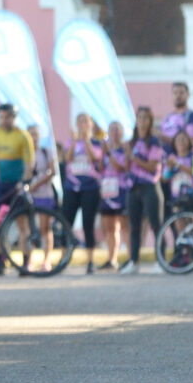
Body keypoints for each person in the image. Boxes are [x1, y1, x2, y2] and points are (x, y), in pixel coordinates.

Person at [0, 103, 35, 276]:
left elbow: (29, 163)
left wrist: (25, 181)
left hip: (17, 185)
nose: (4, 120)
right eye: (1, 117)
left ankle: (26, 263)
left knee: (23, 226)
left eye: (7, 117)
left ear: (14, 118)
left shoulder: (23, 136)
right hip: (2, 186)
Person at [121, 106, 164, 274]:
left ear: (150, 121)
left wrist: (132, 156)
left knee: (155, 224)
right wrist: (127, 155)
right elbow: (127, 167)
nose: (142, 121)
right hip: (133, 187)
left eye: (146, 117)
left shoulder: (154, 142)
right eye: (139, 117)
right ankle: (134, 261)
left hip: (150, 186)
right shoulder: (132, 142)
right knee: (134, 226)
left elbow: (151, 166)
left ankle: (160, 261)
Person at [63, 113, 104, 274]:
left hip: (90, 187)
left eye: (86, 121)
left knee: (88, 224)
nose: (83, 124)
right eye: (80, 121)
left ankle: (90, 260)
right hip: (71, 187)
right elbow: (67, 158)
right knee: (66, 222)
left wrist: (86, 140)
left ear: (91, 124)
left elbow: (95, 158)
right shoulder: (70, 142)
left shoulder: (96, 142)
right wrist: (75, 141)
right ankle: (64, 258)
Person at [98, 120, 130, 271]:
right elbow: (100, 168)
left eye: (117, 129)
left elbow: (121, 167)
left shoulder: (125, 149)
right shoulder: (106, 149)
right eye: (112, 129)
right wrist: (103, 154)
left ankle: (130, 257)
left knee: (124, 225)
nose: (114, 133)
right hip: (107, 190)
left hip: (121, 190)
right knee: (109, 226)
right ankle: (112, 258)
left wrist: (109, 153)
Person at [26, 125, 58, 273]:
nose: (33, 138)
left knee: (45, 228)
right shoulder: (25, 153)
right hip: (30, 195)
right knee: (31, 228)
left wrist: (37, 184)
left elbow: (52, 171)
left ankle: (46, 260)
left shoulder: (46, 152)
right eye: (31, 134)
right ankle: (30, 259)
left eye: (35, 135)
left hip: (44, 193)